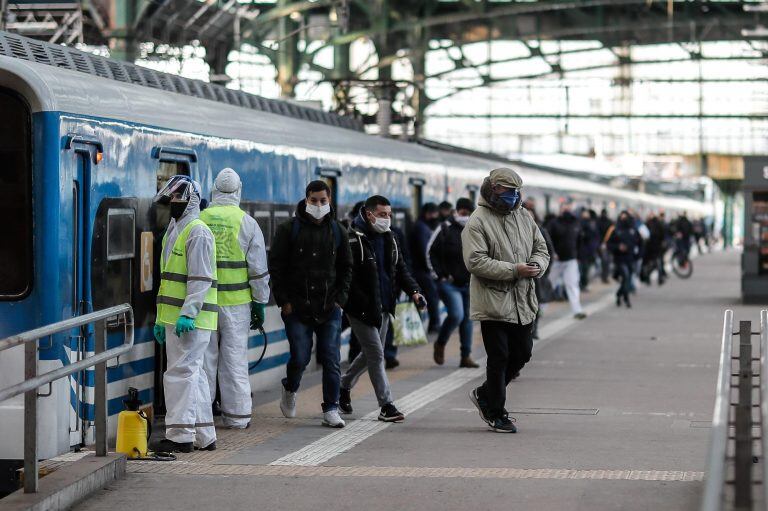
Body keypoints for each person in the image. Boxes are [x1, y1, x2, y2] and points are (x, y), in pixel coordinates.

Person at [463, 168, 550, 433]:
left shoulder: (524, 216)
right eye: (506, 190)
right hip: (493, 301)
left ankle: (485, 394)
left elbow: (541, 248)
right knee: (498, 356)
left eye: (515, 191)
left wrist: (536, 265)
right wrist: (514, 270)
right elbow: (475, 261)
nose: (512, 196)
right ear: (492, 189)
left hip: (522, 299)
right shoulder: (477, 221)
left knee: (523, 353)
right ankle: (496, 412)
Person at [269, 180, 353, 428]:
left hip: (329, 308)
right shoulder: (288, 230)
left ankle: (331, 408)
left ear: (329, 202)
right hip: (296, 308)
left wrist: (340, 300)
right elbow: (276, 267)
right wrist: (283, 301)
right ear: (306, 200)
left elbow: (346, 268)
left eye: (323, 201)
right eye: (314, 200)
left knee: (331, 357)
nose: (318, 205)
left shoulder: (338, 231)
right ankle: (290, 387)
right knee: (300, 356)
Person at [340, 195, 425, 422]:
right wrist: (353, 302)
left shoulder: (391, 238)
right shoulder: (352, 239)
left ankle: (343, 385)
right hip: (361, 308)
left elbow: (401, 269)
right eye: (382, 215)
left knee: (369, 354)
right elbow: (346, 276)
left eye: (389, 215)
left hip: (385, 305)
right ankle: (386, 405)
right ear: (369, 214)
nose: (387, 219)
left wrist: (415, 292)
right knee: (377, 354)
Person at [199, 168, 269, 429]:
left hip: (204, 304)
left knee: (205, 363)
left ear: (214, 190)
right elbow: (258, 270)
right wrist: (260, 303)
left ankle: (202, 419)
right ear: (239, 191)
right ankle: (237, 417)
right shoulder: (247, 223)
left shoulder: (200, 218)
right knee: (234, 361)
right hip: (237, 306)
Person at [152, 175, 218, 452]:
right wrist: (159, 318)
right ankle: (205, 435)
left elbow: (200, 278)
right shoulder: (175, 229)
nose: (174, 204)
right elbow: (168, 279)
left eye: (179, 199)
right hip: (174, 317)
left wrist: (189, 314)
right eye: (171, 199)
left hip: (191, 320)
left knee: (180, 374)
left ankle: (180, 436)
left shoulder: (197, 231)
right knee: (195, 374)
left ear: (191, 199)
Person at [428, 198, 477, 368]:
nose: (466, 216)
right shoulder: (444, 228)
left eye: (470, 213)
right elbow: (430, 252)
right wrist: (439, 275)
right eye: (463, 212)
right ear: (456, 211)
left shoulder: (476, 229)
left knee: (468, 319)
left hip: (469, 282)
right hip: (448, 282)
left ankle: (466, 356)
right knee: (457, 315)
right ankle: (440, 343)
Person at [547, 202, 586, 320]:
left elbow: (580, 241)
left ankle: (577, 310)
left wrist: (578, 256)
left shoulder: (577, 223)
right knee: (548, 285)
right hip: (556, 260)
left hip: (571, 260)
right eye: (564, 208)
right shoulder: (553, 223)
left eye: (568, 208)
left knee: (572, 284)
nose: (567, 211)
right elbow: (546, 239)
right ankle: (539, 310)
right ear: (560, 210)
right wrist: (552, 253)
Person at [522, 197, 554, 342]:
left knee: (537, 302)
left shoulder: (541, 231)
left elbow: (549, 251)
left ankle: (534, 328)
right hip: (520, 274)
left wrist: (544, 270)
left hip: (537, 275)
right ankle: (526, 329)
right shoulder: (515, 232)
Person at [383, 223, 412, 369]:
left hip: (392, 287)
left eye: (387, 214)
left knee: (390, 323)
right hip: (370, 291)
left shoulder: (395, 233)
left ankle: (389, 355)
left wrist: (411, 289)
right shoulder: (359, 235)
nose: (385, 218)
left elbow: (404, 261)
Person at [410, 202, 441, 333]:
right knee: (432, 297)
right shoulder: (422, 228)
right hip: (422, 271)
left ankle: (420, 327)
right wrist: (431, 269)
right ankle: (434, 325)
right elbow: (425, 251)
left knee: (423, 298)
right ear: (428, 213)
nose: (436, 216)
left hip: (419, 269)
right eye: (434, 213)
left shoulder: (419, 226)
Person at [608, 211, 642, 308]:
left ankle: (619, 294)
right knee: (626, 277)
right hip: (619, 259)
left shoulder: (634, 230)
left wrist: (638, 255)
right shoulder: (616, 230)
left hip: (630, 258)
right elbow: (609, 244)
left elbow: (640, 243)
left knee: (627, 279)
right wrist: (618, 247)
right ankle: (626, 298)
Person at [577, 208, 600, 292]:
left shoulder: (591, 224)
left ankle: (584, 284)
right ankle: (582, 284)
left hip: (588, 251)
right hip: (582, 251)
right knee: (582, 269)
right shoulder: (579, 223)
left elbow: (595, 237)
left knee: (586, 269)